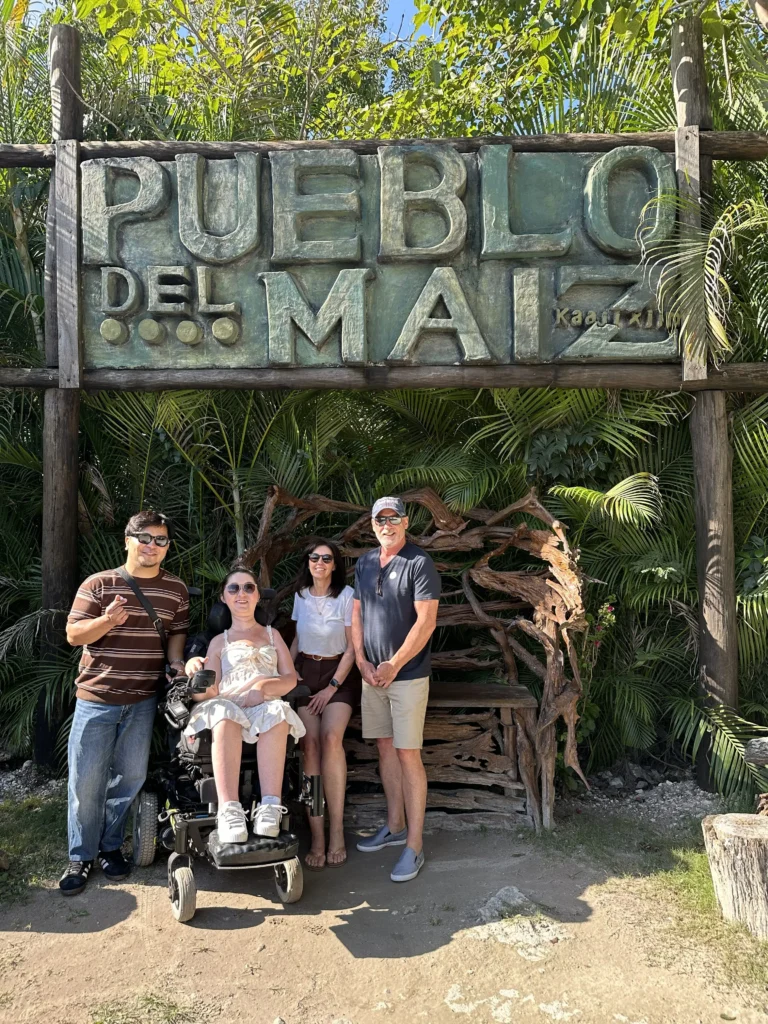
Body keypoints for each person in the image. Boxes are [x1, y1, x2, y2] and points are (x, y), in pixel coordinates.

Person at [60, 511, 189, 895]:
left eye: (161, 540)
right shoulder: (99, 584)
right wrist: (107, 622)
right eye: (145, 537)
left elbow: (177, 632)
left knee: (129, 778)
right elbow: (72, 633)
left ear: (167, 547)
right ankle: (80, 856)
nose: (152, 545)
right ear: (128, 540)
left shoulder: (176, 589)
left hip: (143, 700)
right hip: (97, 699)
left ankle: (109, 847)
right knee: (86, 782)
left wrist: (176, 664)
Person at [352, 496, 440, 883]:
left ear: (405, 522)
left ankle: (414, 847)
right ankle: (395, 826)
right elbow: (355, 613)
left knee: (408, 755)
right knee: (385, 748)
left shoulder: (420, 563)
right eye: (379, 520)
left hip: (406, 676)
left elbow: (426, 623)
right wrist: (360, 660)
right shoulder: (366, 561)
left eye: (393, 519)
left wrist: (394, 664)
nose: (386, 525)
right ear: (372, 524)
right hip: (372, 676)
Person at [183, 565, 305, 844]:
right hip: (227, 702)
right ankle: (229, 810)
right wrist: (195, 674)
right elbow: (211, 690)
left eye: (248, 587)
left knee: (277, 712)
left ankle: (270, 807)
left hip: (263, 704)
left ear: (257, 595)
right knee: (225, 712)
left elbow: (289, 680)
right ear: (224, 597)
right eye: (234, 588)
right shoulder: (217, 641)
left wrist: (263, 686)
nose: (241, 593)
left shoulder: (273, 636)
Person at [289, 540, 360, 869]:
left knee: (332, 739)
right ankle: (317, 835)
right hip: (306, 673)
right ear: (308, 562)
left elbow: (351, 648)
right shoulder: (300, 596)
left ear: (334, 565)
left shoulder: (346, 597)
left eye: (326, 558)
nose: (319, 562)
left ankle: (337, 831)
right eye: (314, 556)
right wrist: (287, 677)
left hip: (338, 676)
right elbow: (297, 640)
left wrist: (331, 687)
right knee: (310, 746)